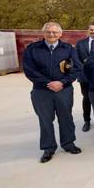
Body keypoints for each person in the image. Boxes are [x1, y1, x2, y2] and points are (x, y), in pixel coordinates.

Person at [23, 22, 82, 163]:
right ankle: (48, 148)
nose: (52, 34)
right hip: (41, 91)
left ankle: (68, 144)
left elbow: (77, 68)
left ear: (60, 34)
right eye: (48, 32)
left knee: (66, 118)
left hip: (63, 90)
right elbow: (29, 69)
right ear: (43, 33)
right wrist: (47, 83)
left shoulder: (68, 49)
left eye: (55, 32)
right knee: (45, 120)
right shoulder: (33, 49)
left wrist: (62, 82)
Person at [75, 22, 94, 132]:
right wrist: (85, 68)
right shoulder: (80, 43)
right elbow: (76, 59)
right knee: (87, 98)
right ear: (88, 31)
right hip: (84, 77)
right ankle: (87, 121)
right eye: (91, 30)